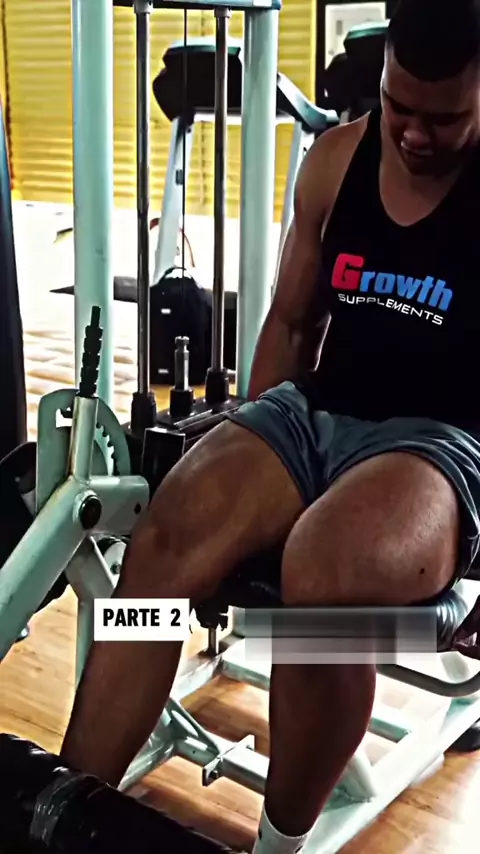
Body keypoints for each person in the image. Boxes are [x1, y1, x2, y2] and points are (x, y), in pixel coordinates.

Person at [60, 0, 480, 851]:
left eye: (444, 119)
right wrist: (254, 452)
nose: (414, 134)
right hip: (314, 414)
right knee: (164, 547)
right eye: (398, 107)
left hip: (437, 445)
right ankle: (63, 807)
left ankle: (280, 845)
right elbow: (290, 326)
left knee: (322, 580)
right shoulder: (336, 162)